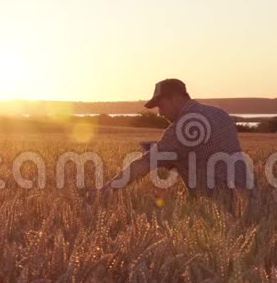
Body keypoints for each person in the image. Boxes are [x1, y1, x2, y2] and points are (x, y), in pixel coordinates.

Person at [100, 78, 254, 213]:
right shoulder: (219, 113)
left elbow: (146, 163)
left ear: (174, 98)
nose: (160, 113)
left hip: (216, 204)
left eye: (161, 106)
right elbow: (206, 151)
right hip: (249, 200)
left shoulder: (182, 128)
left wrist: (107, 190)